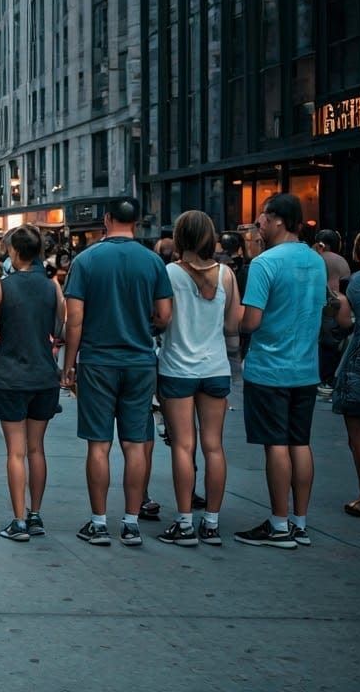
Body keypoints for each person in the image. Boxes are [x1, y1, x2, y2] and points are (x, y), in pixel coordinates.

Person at [62, 198, 172, 547]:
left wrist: (69, 364)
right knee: (135, 444)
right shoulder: (153, 261)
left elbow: (74, 319)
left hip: (97, 361)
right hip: (140, 362)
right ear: (136, 222)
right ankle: (130, 522)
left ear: (106, 219)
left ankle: (98, 523)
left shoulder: (86, 260)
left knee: (99, 444)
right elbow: (165, 316)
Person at [234, 194, 326, 549]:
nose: (259, 224)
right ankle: (300, 523)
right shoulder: (315, 261)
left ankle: (278, 523)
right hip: (306, 366)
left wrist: (235, 320)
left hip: (269, 367)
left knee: (275, 445)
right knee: (300, 442)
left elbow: (251, 321)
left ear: (277, 220)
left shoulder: (264, 263)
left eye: (262, 217)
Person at [154, 211, 242, 547]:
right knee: (214, 446)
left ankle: (184, 523)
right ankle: (212, 523)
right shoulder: (227, 275)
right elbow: (233, 326)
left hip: (177, 367)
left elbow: (161, 319)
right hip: (216, 367)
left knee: (183, 445)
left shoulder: (170, 273)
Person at [0, 226, 64, 541]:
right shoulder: (52, 286)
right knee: (36, 449)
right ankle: (35, 515)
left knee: (15, 452)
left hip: (11, 375)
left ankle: (17, 521)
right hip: (44, 374)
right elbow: (62, 324)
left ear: (14, 252)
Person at [333, 266, 360, 517]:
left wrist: (340, 301)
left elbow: (345, 323)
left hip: (359, 361)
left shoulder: (357, 283)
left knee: (358, 434)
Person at [315, 229, 352, 397]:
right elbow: (346, 285)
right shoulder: (340, 261)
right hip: (335, 304)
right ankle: (328, 380)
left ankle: (320, 379)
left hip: (315, 303)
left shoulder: (313, 258)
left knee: (321, 342)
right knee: (332, 343)